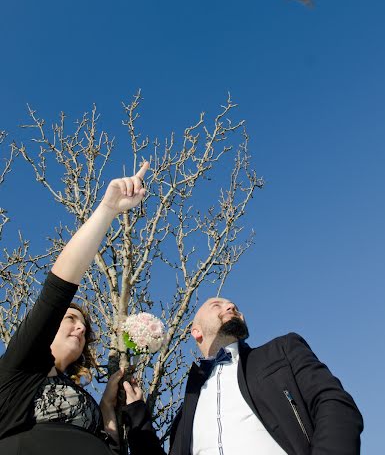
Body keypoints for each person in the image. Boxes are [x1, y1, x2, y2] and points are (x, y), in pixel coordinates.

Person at [0, 163, 149, 455]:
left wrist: (107, 406)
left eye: (83, 325)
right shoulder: (19, 368)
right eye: (70, 319)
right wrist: (108, 209)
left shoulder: (84, 397)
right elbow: (59, 287)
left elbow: (113, 448)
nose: (80, 328)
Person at [126, 297, 364, 455]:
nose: (230, 307)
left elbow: (334, 404)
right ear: (196, 332)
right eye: (217, 306)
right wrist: (136, 410)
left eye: (234, 306)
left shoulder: (282, 351)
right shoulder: (187, 410)